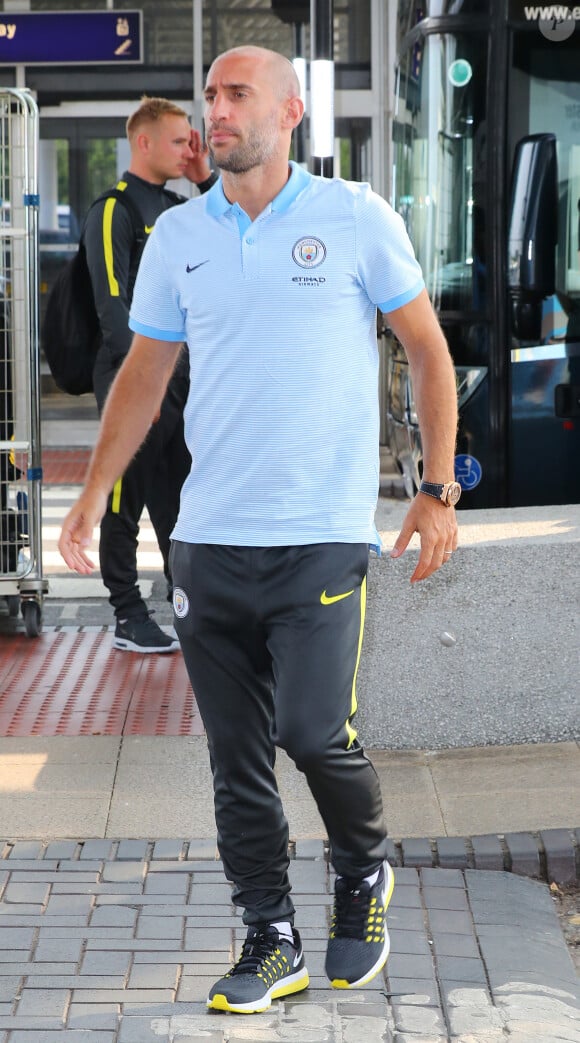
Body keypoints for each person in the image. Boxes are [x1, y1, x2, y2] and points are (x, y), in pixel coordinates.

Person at [59, 47, 459, 1014]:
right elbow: (144, 375)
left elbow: (428, 350)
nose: (216, 110)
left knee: (314, 734)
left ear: (289, 115)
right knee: (236, 759)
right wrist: (89, 493)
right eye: (210, 95)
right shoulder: (178, 235)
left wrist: (438, 489)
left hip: (320, 533)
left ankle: (362, 873)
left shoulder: (355, 217)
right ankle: (267, 934)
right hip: (207, 540)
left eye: (236, 95)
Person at [84, 96, 217, 653]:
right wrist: (144, 387)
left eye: (192, 140)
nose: (189, 147)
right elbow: (113, 307)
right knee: (125, 496)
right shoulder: (114, 209)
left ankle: (188, 605)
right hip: (135, 381)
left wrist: (206, 177)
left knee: (180, 498)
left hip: (180, 382)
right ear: (144, 142)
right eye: (179, 140)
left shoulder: (177, 206)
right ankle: (126, 613)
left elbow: (232, 222)